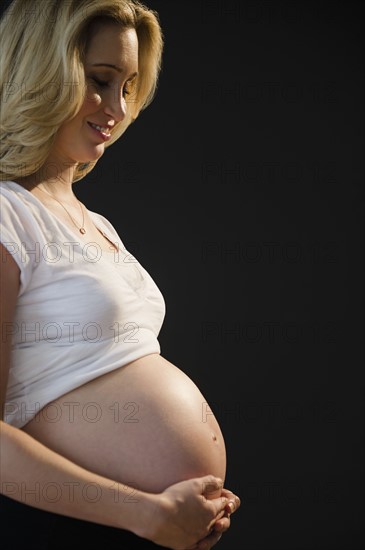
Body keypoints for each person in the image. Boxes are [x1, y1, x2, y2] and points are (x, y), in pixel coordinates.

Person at [0, 1, 240, 548]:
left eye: (129, 86)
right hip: (60, 524)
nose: (117, 106)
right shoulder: (6, 212)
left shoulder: (96, 222)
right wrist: (143, 511)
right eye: (100, 80)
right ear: (44, 73)